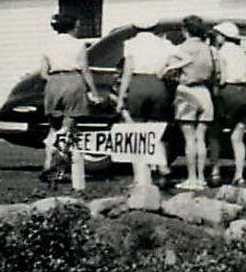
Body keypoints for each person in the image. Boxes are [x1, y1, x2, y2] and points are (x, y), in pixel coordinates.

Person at [39, 12, 101, 184]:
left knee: (53, 127)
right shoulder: (78, 45)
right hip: (73, 80)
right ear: (72, 27)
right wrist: (93, 92)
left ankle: (47, 163)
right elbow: (85, 69)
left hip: (53, 83)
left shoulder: (47, 45)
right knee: (67, 127)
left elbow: (43, 72)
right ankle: (57, 168)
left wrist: (55, 82)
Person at [115, 24, 176, 184]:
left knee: (136, 131)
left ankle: (140, 175)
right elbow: (176, 62)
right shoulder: (165, 44)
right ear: (155, 28)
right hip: (158, 84)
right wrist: (164, 69)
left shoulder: (131, 44)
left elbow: (127, 71)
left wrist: (121, 97)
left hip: (138, 83)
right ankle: (162, 166)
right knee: (156, 130)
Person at [162, 15, 216, 190]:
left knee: (189, 139)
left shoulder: (180, 49)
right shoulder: (210, 49)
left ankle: (191, 178)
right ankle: (201, 178)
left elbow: (169, 72)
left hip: (186, 92)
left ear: (185, 31)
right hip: (205, 92)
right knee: (201, 138)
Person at [210, 20, 246, 187]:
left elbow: (221, 77)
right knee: (238, 137)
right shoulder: (243, 54)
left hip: (227, 91)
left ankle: (215, 172)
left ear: (223, 36)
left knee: (215, 133)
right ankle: (239, 175)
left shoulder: (221, 53)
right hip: (244, 93)